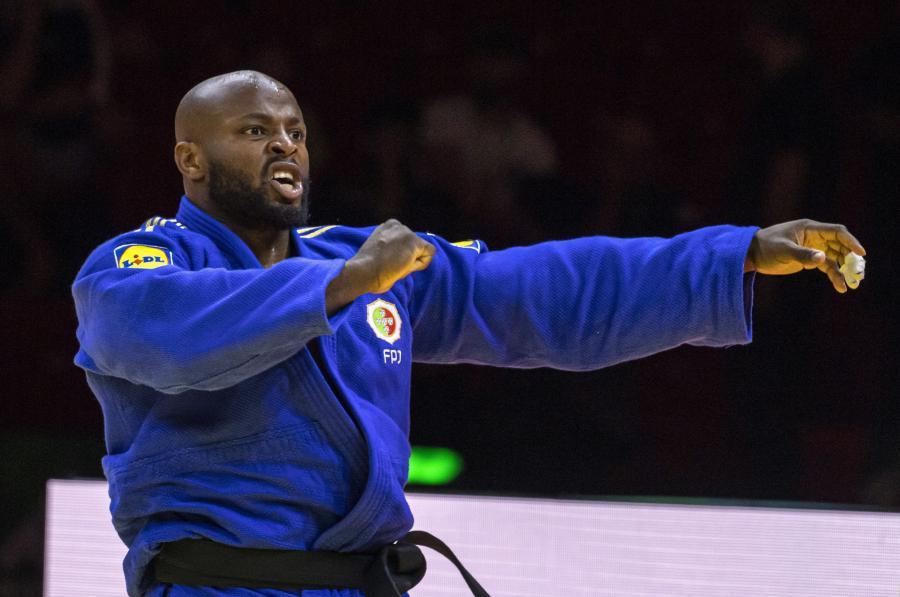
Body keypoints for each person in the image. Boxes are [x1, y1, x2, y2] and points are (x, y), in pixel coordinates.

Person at [72, 70, 865, 597]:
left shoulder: (362, 260)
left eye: (296, 130)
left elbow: (543, 290)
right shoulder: (137, 265)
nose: (285, 144)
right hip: (218, 584)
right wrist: (342, 284)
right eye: (254, 131)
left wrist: (734, 254)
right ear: (191, 159)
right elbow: (167, 334)